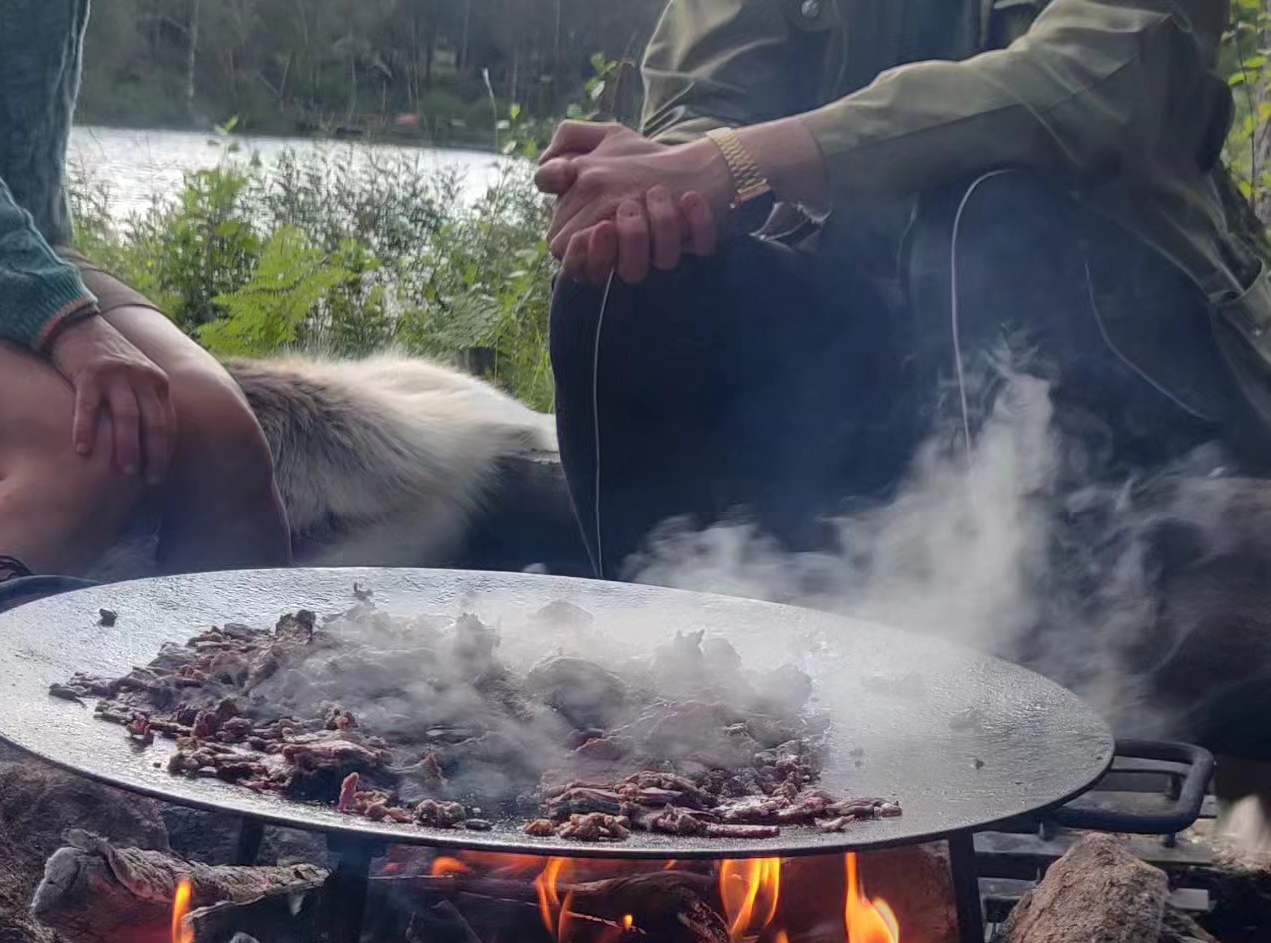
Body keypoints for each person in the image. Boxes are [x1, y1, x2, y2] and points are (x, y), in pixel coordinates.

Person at [542, 0, 1271, 577]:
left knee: (983, 217)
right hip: (857, 344)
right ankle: (677, 699)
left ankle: (1041, 701)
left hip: (1122, 342)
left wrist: (740, 161)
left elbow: (1097, 80)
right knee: (632, 277)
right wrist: (660, 186)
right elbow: (706, 102)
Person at [0, 0, 292, 578]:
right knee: (83, 450)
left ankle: (227, 666)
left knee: (219, 430)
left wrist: (38, 283)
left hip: (23, 237)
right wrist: (62, 319)